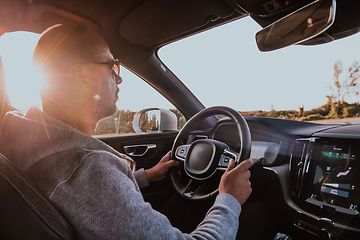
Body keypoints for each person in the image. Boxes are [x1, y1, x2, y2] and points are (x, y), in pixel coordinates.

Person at [0, 24, 253, 239]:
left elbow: (87, 201)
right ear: (79, 76)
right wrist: (229, 199)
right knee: (258, 215)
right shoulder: (89, 168)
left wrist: (146, 176)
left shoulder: (23, 139)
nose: (118, 79)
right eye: (112, 66)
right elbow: (93, 189)